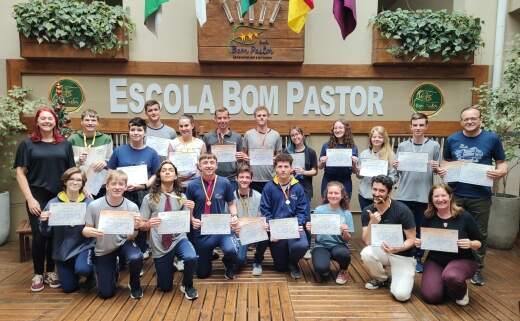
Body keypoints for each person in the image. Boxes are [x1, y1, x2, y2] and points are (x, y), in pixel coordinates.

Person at [442, 106, 507, 286]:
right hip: (456, 193)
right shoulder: (452, 139)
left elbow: (502, 163)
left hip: (480, 196)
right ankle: (450, 264)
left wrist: (500, 173)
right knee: (452, 229)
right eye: (466, 119)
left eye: (473, 118)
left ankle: (477, 269)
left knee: (480, 233)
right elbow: (447, 162)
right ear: (461, 121)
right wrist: (443, 170)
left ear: (480, 119)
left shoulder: (492, 138)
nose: (469, 122)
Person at [14, 107, 75, 292]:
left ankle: (51, 271)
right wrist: (30, 199)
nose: (47, 121)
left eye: (50, 118)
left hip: (58, 197)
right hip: (37, 195)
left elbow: (71, 173)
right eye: (43, 118)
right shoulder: (27, 144)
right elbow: (20, 173)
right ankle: (38, 273)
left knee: (55, 235)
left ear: (55, 121)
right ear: (37, 121)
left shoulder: (65, 144)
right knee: (40, 235)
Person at [140, 161, 198, 300]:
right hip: (160, 244)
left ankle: (187, 285)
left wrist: (191, 210)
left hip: (178, 238)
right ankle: (169, 264)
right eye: (163, 170)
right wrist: (148, 224)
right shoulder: (149, 198)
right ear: (159, 175)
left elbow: (187, 222)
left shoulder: (182, 197)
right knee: (165, 288)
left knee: (191, 257)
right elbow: (141, 224)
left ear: (175, 175)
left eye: (170, 170)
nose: (167, 172)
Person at [82, 170, 144, 299]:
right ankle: (113, 267)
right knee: (106, 294)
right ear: (107, 186)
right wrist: (87, 232)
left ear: (126, 187)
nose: (117, 187)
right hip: (103, 248)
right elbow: (86, 229)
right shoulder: (94, 206)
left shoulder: (132, 207)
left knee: (136, 257)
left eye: (121, 184)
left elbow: (132, 236)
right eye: (114, 183)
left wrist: (135, 228)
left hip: (123, 243)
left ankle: (134, 284)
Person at [393, 113, 442, 273]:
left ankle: (418, 257)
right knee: (403, 228)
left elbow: (439, 171)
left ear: (426, 126)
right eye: (415, 125)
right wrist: (395, 167)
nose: (418, 128)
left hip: (424, 195)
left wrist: (437, 168)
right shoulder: (402, 146)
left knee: (421, 229)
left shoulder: (434, 146)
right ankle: (404, 255)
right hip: (403, 195)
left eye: (421, 125)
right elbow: (397, 173)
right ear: (411, 127)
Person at [417, 184, 482, 306]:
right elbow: (424, 238)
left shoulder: (464, 216)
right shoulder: (428, 216)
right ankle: (446, 283)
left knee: (452, 276)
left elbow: (479, 243)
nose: (440, 199)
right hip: (436, 260)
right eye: (436, 196)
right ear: (431, 199)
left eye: (443, 195)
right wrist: (420, 242)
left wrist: (470, 243)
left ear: (450, 196)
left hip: (462, 259)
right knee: (431, 296)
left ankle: (461, 291)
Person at [108, 117, 161, 257]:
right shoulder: (119, 151)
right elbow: (111, 171)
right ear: (128, 131)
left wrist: (144, 185)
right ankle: (122, 251)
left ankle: (142, 250)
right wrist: (119, 186)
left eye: (139, 130)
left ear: (144, 132)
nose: (136, 132)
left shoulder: (152, 152)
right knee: (124, 220)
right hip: (123, 193)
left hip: (143, 192)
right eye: (132, 129)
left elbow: (156, 174)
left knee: (142, 221)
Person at [360, 175, 416, 302]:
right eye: (375, 189)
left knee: (401, 296)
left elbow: (412, 239)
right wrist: (372, 223)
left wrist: (398, 248)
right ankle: (382, 279)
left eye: (381, 191)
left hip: (402, 254)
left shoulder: (402, 210)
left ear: (389, 192)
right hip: (382, 251)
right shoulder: (367, 210)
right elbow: (367, 242)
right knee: (366, 252)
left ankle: (402, 275)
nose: (377, 193)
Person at [39, 167, 94, 293]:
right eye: (71, 179)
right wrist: (44, 221)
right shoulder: (53, 203)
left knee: (84, 269)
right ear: (65, 181)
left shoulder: (89, 203)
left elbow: (97, 228)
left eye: (79, 180)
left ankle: (91, 274)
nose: (75, 182)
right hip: (62, 251)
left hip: (84, 246)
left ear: (82, 184)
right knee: (69, 288)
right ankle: (73, 273)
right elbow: (46, 233)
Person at [186, 153, 239, 279]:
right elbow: (187, 208)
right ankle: (207, 257)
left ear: (216, 165)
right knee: (202, 274)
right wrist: (192, 219)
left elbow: (231, 203)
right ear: (199, 166)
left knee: (231, 250)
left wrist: (234, 215)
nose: (208, 165)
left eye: (211, 162)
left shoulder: (224, 182)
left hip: (222, 229)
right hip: (202, 230)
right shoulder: (192, 185)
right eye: (205, 163)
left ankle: (228, 263)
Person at [259, 153, 309, 279]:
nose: (283, 169)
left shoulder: (298, 187)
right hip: (277, 229)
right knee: (280, 267)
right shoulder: (269, 187)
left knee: (302, 245)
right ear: (275, 168)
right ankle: (285, 258)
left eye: (286, 166)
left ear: (291, 168)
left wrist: (298, 224)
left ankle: (293, 263)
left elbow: (302, 210)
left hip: (294, 227)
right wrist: (273, 228)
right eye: (280, 166)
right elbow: (265, 209)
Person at [306, 181, 354, 285]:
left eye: (336, 193)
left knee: (344, 255)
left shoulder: (346, 213)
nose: (333, 195)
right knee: (321, 269)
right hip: (321, 245)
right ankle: (323, 270)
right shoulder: (319, 210)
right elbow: (314, 237)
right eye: (330, 193)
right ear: (326, 195)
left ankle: (343, 270)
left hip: (339, 245)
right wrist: (310, 230)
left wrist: (345, 232)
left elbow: (348, 239)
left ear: (342, 195)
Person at [284, 126, 318, 259]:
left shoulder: (310, 152)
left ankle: (307, 247)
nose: (295, 137)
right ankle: (290, 243)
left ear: (302, 135)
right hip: (290, 187)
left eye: (297, 134)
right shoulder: (287, 151)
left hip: (305, 188)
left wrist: (303, 172)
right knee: (290, 213)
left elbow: (315, 171)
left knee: (306, 216)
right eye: (292, 135)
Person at [68, 109, 113, 197]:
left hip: (100, 183)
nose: (90, 123)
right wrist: (78, 160)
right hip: (79, 183)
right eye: (87, 120)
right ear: (81, 122)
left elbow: (111, 159)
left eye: (93, 120)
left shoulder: (106, 139)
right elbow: (68, 161)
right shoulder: (73, 139)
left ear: (97, 123)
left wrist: (105, 162)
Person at [233, 165, 268, 276]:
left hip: (253, 231)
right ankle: (240, 258)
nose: (244, 180)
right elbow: (228, 217)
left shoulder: (258, 196)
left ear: (251, 179)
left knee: (266, 230)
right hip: (238, 233)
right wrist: (234, 227)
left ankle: (257, 261)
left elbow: (261, 217)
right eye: (241, 177)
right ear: (236, 178)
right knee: (239, 261)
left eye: (247, 177)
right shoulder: (231, 197)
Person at [203, 107, 248, 191]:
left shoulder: (237, 137)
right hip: (213, 178)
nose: (222, 120)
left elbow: (241, 160)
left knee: (232, 203)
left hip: (232, 179)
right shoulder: (208, 137)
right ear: (215, 119)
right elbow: (204, 157)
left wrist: (242, 156)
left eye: (225, 118)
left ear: (229, 119)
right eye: (219, 118)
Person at [355, 126, 397, 211]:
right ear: (370, 139)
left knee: (381, 221)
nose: (376, 139)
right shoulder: (364, 154)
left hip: (382, 196)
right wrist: (358, 171)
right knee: (366, 220)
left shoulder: (390, 155)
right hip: (365, 195)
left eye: (380, 137)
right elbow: (359, 176)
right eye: (374, 137)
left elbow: (394, 176)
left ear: (384, 139)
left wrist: (384, 183)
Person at [243, 106, 283, 193]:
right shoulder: (248, 134)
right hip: (252, 178)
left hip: (270, 177)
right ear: (255, 117)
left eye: (264, 115)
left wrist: (276, 158)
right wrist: (245, 157)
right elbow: (244, 153)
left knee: (270, 204)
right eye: (259, 115)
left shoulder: (276, 135)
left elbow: (279, 155)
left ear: (268, 117)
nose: (262, 117)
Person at [318, 120, 358, 198]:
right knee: (327, 205)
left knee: (344, 205)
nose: (337, 130)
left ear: (346, 129)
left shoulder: (352, 147)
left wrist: (354, 163)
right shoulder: (326, 145)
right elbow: (320, 167)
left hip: (345, 180)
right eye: (335, 128)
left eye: (340, 128)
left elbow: (354, 171)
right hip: (328, 179)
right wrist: (322, 162)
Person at [170, 114, 206, 188]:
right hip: (177, 185)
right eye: (181, 126)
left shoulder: (200, 143)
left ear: (192, 126)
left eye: (186, 125)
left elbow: (204, 166)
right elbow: (169, 165)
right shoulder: (173, 143)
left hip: (196, 184)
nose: (183, 128)